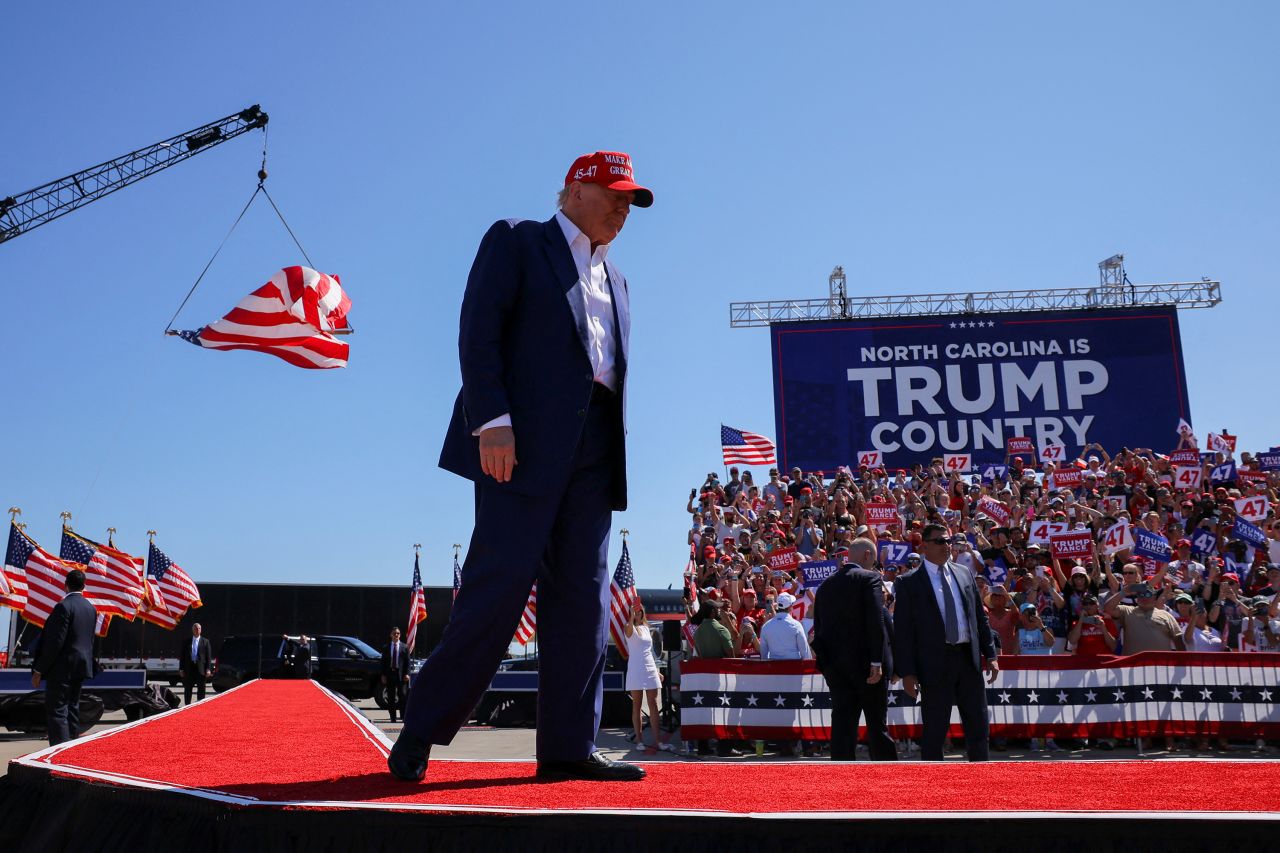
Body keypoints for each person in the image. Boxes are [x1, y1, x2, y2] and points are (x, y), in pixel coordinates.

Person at [391, 152, 653, 784]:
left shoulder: (616, 279)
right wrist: (493, 420)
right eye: (614, 194)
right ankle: (421, 729)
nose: (623, 208)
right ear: (573, 192)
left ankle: (567, 746)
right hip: (521, 444)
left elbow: (606, 370)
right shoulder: (518, 240)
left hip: (595, 448)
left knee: (584, 602)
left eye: (631, 200)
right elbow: (478, 331)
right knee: (498, 589)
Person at [894, 522, 999, 761]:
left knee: (978, 726)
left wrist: (990, 655)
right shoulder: (909, 583)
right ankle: (933, 788)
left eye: (949, 541)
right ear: (924, 547)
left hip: (967, 659)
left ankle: (981, 783)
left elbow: (978, 617)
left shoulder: (964, 574)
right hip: (934, 663)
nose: (946, 546)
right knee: (934, 730)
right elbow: (903, 632)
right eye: (940, 541)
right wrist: (908, 672)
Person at [812, 539, 896, 761]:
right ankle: (889, 776)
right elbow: (876, 620)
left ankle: (841, 777)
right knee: (877, 726)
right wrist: (877, 662)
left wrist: (827, 666)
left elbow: (818, 628)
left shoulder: (825, 586)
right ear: (867, 555)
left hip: (837, 669)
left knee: (842, 726)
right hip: (868, 668)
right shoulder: (870, 579)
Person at [30, 569, 97, 746]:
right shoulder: (90, 608)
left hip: (62, 668)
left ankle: (59, 751)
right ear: (84, 586)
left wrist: (39, 669)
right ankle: (71, 749)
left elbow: (55, 643)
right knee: (73, 708)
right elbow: (90, 639)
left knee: (58, 710)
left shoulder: (63, 607)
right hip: (81, 666)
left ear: (65, 585)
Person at [624, 604, 673, 753]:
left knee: (653, 703)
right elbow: (629, 629)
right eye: (635, 611)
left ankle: (658, 741)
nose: (638, 613)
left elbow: (648, 651)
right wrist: (632, 616)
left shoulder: (647, 628)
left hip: (649, 667)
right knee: (637, 705)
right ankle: (639, 740)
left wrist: (656, 670)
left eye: (640, 611)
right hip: (635, 668)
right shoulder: (629, 627)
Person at [382, 627, 410, 724]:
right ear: (391, 635)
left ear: (400, 635)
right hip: (390, 674)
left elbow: (407, 662)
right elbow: (383, 662)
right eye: (394, 633)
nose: (396, 635)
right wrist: (383, 675)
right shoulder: (386, 647)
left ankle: (403, 717)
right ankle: (393, 718)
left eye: (398, 633)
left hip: (401, 674)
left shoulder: (404, 647)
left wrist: (407, 673)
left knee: (402, 696)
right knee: (391, 697)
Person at [181, 622, 212, 705]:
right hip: (189, 669)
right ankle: (187, 705)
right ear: (192, 630)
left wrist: (208, 669)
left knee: (201, 689)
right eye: (195, 628)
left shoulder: (205, 641)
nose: (197, 630)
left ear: (201, 630)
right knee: (188, 689)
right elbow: (182, 656)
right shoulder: (187, 642)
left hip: (200, 670)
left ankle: (200, 705)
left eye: (199, 628)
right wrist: (181, 669)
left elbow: (208, 657)